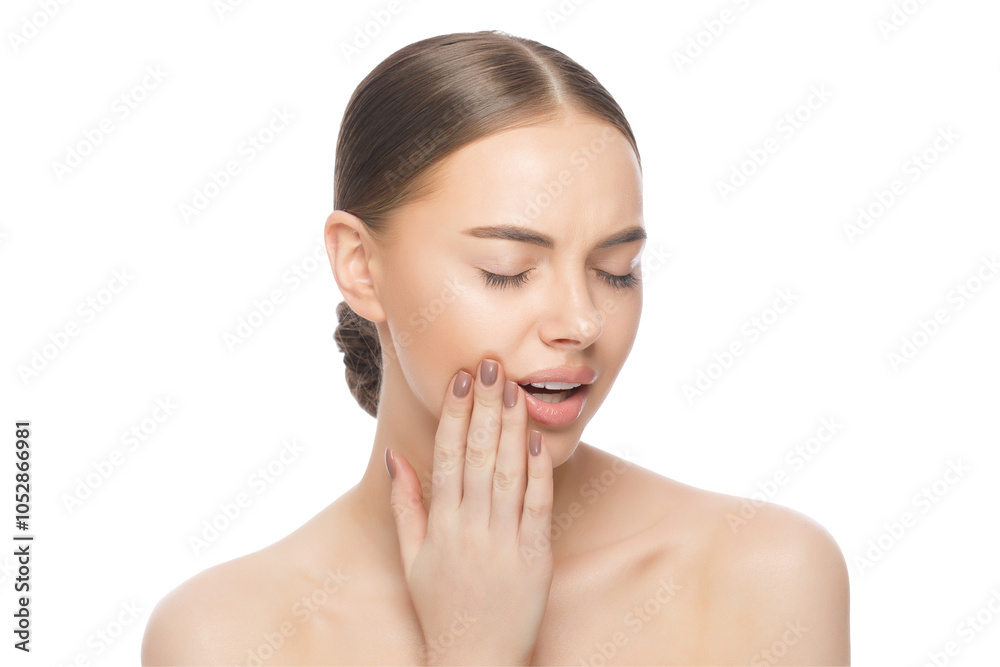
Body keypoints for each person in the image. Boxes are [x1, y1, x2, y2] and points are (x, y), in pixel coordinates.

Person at [142, 29, 850, 665]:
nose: (581, 321)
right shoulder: (221, 637)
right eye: (507, 271)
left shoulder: (762, 574)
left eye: (615, 270)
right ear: (360, 265)